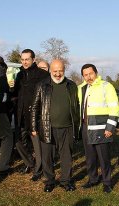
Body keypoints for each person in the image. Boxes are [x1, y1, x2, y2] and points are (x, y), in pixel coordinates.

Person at [31, 59, 79, 192]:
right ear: (50, 70)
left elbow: (76, 106)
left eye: (60, 71)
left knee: (66, 156)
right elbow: (35, 107)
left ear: (64, 70)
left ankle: (66, 180)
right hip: (47, 127)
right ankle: (50, 181)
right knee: (47, 156)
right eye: (55, 71)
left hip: (67, 127)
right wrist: (33, 127)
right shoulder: (42, 85)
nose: (58, 74)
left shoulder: (72, 85)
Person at [78, 64, 119, 193]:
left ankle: (107, 182)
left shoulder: (106, 86)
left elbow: (114, 107)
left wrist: (110, 127)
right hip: (86, 127)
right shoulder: (81, 88)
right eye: (85, 75)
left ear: (96, 73)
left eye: (91, 73)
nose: (88, 77)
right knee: (90, 157)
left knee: (104, 157)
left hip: (102, 128)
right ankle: (93, 179)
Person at [14, 49, 49, 181]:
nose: (24, 62)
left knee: (37, 146)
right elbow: (16, 94)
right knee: (18, 142)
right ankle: (30, 163)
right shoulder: (19, 75)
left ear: (33, 59)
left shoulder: (42, 75)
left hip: (35, 116)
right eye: (22, 60)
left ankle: (38, 170)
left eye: (27, 59)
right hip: (20, 115)